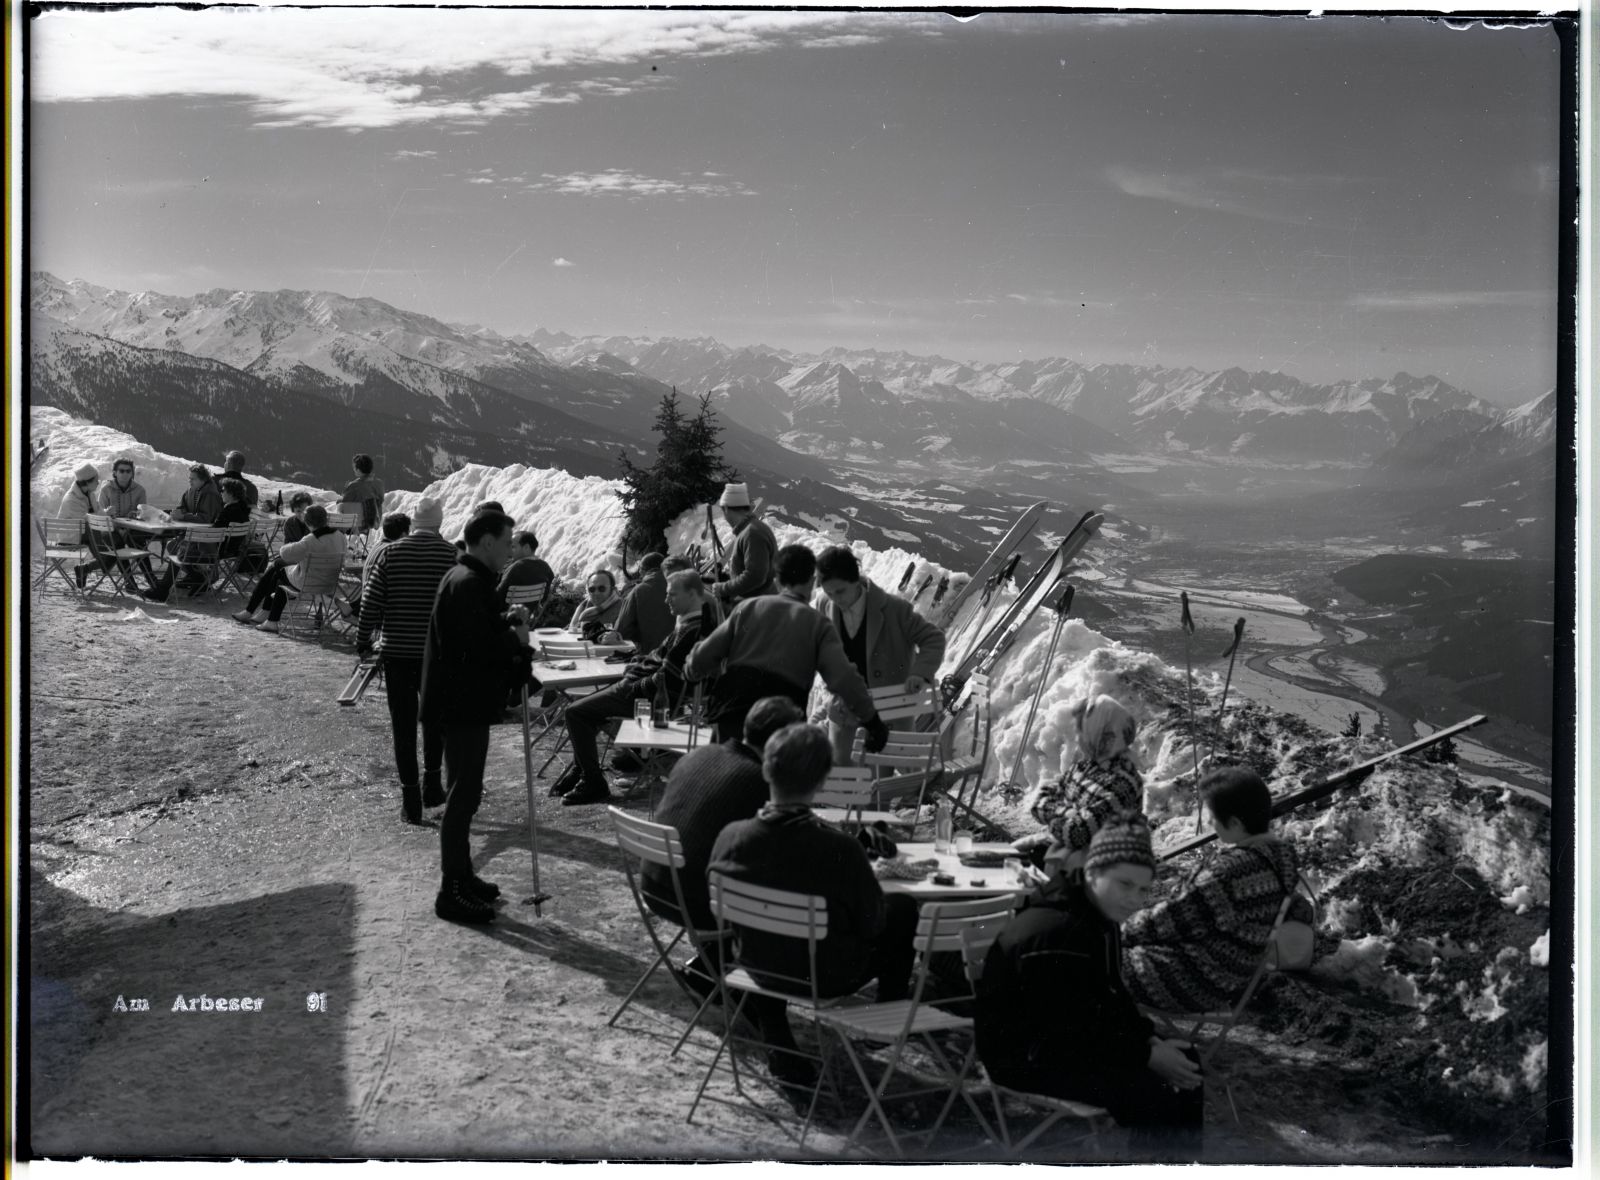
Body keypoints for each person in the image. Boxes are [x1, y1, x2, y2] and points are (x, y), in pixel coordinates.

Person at [975, 815, 1205, 1162]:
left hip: (1068, 1043)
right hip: (1024, 1057)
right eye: (1125, 884)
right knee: (1152, 1089)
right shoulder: (1058, 932)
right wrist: (1144, 1056)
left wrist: (1147, 1039)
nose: (1134, 900)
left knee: (1186, 1060)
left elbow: (1110, 996)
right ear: (1094, 872)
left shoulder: (1100, 916)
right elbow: (1066, 1029)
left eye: (1143, 890)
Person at [707, 722, 920, 1089]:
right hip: (827, 977)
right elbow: (872, 925)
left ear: (766, 769)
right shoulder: (839, 850)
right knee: (901, 908)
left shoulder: (730, 836)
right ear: (822, 781)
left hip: (755, 965)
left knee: (776, 928)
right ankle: (885, 1019)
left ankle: (777, 1033)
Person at [420, 510, 535, 925]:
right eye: (506, 543)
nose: (509, 551)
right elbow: (480, 649)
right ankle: (451, 891)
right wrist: (516, 641)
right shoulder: (469, 583)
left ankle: (463, 875)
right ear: (487, 542)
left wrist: (503, 622)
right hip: (461, 702)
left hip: (458, 702)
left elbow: (474, 634)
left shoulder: (465, 579)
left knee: (464, 792)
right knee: (463, 796)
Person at [1122, 767, 1303, 1014]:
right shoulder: (1282, 859)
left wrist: (1117, 928)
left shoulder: (1230, 872)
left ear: (1235, 823)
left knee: (1087, 952)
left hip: (1190, 979)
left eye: (1213, 818)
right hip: (1228, 977)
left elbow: (1170, 919)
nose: (1209, 824)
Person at [685, 543, 890, 749]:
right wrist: (872, 721)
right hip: (781, 725)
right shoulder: (818, 625)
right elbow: (843, 678)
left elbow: (701, 658)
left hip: (732, 712)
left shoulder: (747, 608)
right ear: (812, 581)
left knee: (721, 774)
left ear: (776, 579)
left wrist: (690, 671)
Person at [550, 569, 719, 807]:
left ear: (692, 594)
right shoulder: (693, 622)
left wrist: (633, 684)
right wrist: (637, 665)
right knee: (587, 710)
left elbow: (667, 679)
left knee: (575, 712)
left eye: (672, 594)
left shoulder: (692, 630)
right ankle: (583, 769)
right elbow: (658, 657)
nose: (666, 599)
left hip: (647, 700)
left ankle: (592, 781)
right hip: (644, 690)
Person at [644, 696, 805, 939]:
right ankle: (728, 964)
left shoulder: (697, 755)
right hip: (699, 904)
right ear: (782, 744)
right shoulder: (760, 781)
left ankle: (708, 962)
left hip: (652, 886)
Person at [358, 498, 459, 824]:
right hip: (437, 654)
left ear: (414, 523)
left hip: (398, 652)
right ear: (439, 524)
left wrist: (363, 642)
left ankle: (411, 801)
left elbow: (371, 601)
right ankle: (433, 784)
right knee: (434, 721)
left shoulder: (391, 553)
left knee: (403, 727)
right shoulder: (450, 556)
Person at [812, 545, 947, 765]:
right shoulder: (824, 603)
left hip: (889, 710)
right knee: (843, 773)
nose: (835, 598)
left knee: (879, 782)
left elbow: (933, 638)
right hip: (844, 707)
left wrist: (920, 674)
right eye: (829, 592)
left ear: (856, 580)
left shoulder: (895, 610)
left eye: (840, 591)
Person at [1024, 694, 1146, 873]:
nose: (1078, 736)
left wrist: (1055, 814)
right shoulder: (1085, 765)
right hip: (1063, 859)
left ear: (1101, 735)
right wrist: (1069, 813)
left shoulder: (1122, 784)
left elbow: (1076, 833)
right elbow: (1037, 804)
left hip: (1093, 878)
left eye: (1082, 730)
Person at [225, 504, 345, 625]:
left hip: (308, 582)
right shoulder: (340, 536)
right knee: (279, 573)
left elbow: (285, 553)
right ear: (326, 519)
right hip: (329, 583)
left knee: (277, 568)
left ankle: (256, 612)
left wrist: (286, 548)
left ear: (307, 522)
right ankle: (266, 616)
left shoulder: (311, 539)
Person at [145, 477, 253, 599]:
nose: (221, 493)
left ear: (232, 494)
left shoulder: (229, 511)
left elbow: (215, 533)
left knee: (179, 551)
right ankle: (200, 580)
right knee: (177, 546)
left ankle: (163, 589)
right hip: (230, 551)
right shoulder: (243, 510)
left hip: (213, 552)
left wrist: (194, 535)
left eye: (223, 490)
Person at [710, 482, 777, 606]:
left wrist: (724, 589)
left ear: (727, 509)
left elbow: (755, 576)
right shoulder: (749, 530)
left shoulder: (752, 534)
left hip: (757, 608)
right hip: (756, 604)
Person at [609, 552, 673, 653]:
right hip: (686, 658)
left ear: (642, 570)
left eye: (640, 570)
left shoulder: (638, 591)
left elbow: (621, 630)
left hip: (652, 657)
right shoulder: (682, 587)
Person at [496, 531, 557, 613]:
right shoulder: (545, 567)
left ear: (526, 548)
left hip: (506, 616)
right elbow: (549, 592)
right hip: (528, 617)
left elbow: (498, 595)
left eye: (513, 547)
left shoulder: (516, 567)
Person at [568, 569, 623, 641]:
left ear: (612, 589)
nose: (596, 593)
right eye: (592, 589)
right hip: (582, 649)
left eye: (602, 588)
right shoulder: (584, 606)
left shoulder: (622, 607)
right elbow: (571, 630)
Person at [340, 453, 385, 532]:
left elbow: (343, 505)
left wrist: (345, 491)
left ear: (358, 469)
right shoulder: (379, 483)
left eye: (354, 468)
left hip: (354, 525)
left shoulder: (354, 485)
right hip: (374, 522)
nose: (354, 470)